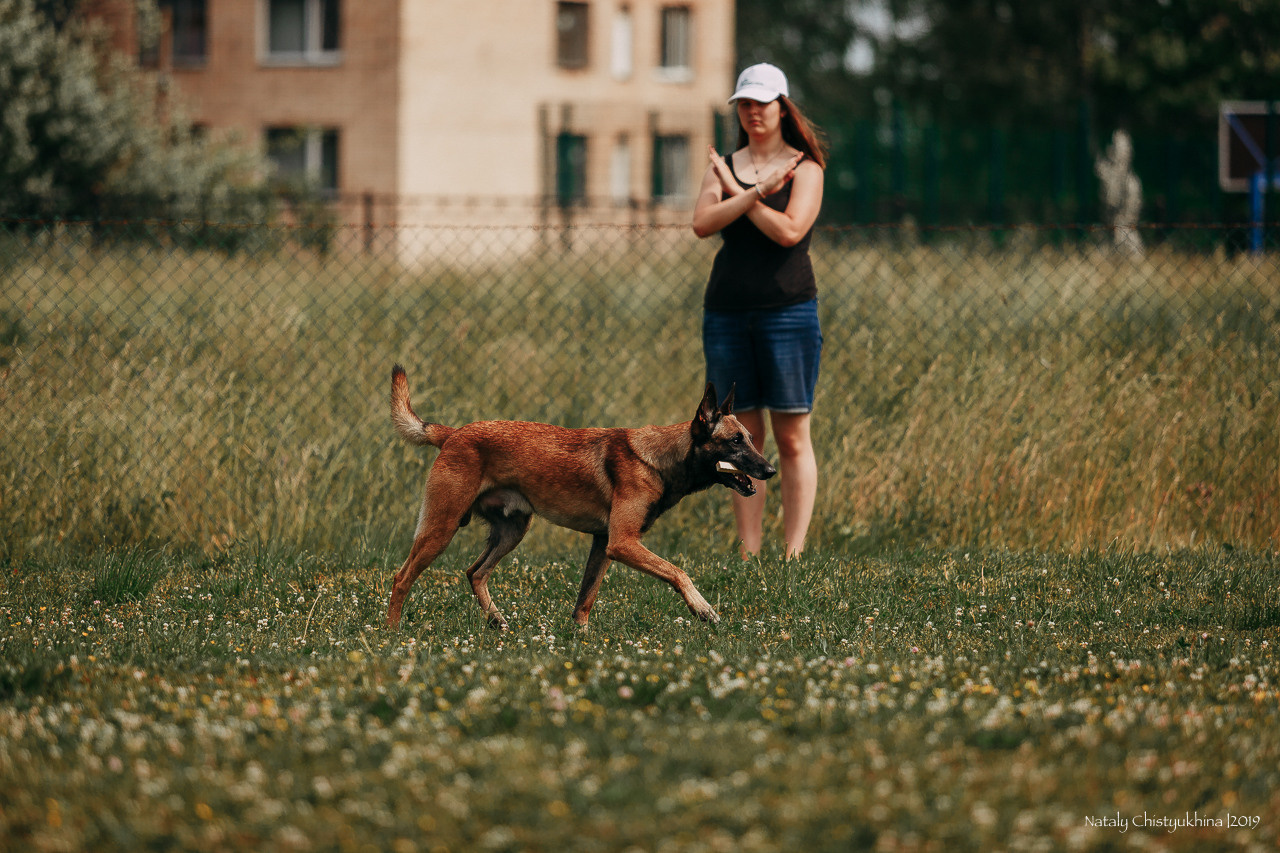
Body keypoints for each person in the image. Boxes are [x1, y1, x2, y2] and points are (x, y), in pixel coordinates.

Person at [692, 62, 827, 559]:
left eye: (761, 103)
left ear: (782, 107)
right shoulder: (723, 165)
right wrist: (747, 188)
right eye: (744, 104)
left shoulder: (805, 167)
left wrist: (740, 191)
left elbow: (790, 232)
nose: (752, 112)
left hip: (787, 312)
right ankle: (749, 553)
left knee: (791, 438)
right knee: (741, 440)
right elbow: (703, 223)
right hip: (727, 313)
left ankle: (792, 555)